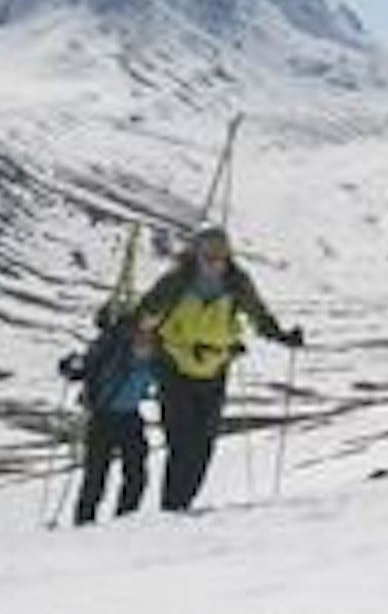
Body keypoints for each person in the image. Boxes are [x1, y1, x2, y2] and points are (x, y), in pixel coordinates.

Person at [137, 224, 305, 511]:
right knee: (181, 442)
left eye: (220, 255)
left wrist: (282, 337)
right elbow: (146, 313)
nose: (215, 262)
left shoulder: (237, 283)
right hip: (174, 368)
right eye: (209, 255)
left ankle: (179, 504)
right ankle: (172, 507)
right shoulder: (177, 282)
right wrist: (138, 337)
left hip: (214, 369)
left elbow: (258, 316)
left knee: (204, 445)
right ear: (197, 254)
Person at [60, 314, 160, 525]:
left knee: (135, 475)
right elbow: (80, 369)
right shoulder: (112, 352)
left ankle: (123, 521)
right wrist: (72, 366)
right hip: (104, 418)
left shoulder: (152, 356)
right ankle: (86, 524)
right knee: (97, 477)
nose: (146, 341)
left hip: (128, 417)